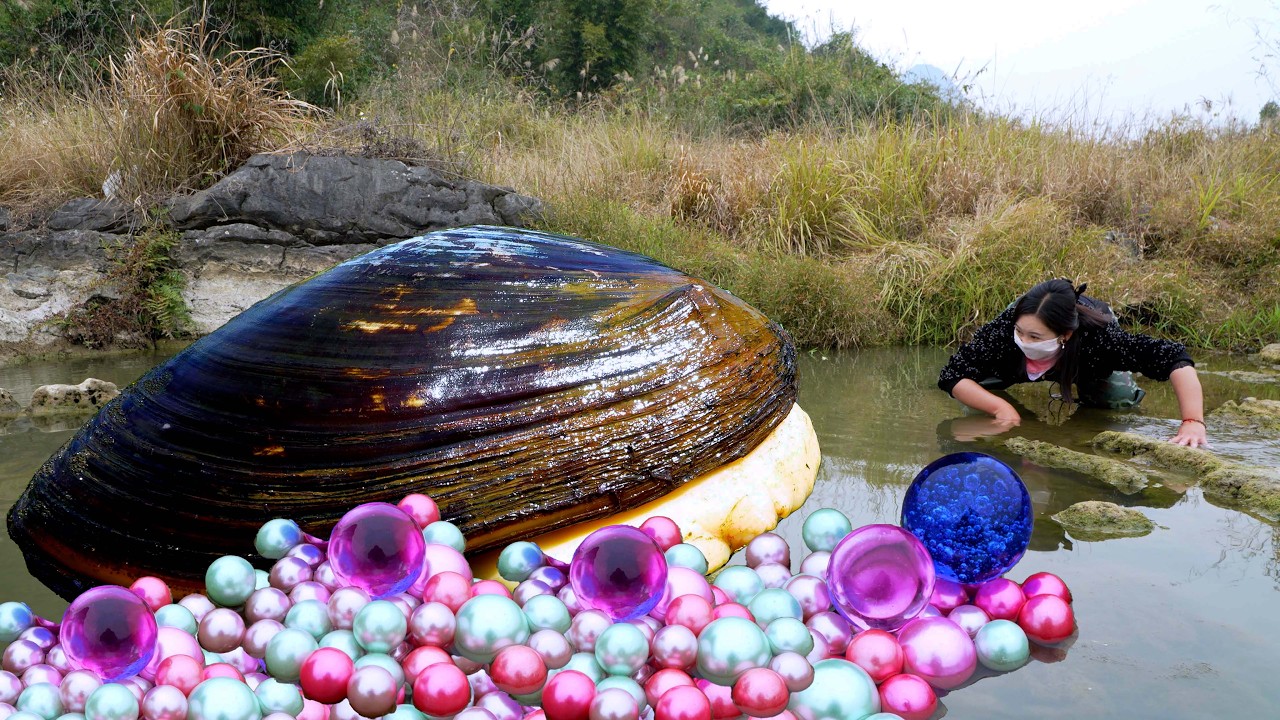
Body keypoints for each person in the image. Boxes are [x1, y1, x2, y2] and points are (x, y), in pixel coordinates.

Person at [938, 278, 1207, 448]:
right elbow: (952, 375)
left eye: (1035, 336)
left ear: (1065, 335)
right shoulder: (1005, 331)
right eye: (1020, 332)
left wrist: (1193, 420)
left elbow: (1175, 358)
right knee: (976, 390)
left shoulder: (1100, 340)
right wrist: (1002, 409)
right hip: (1014, 358)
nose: (1024, 340)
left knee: (1118, 401)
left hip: (1085, 354)